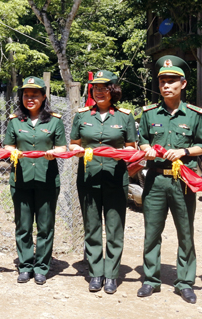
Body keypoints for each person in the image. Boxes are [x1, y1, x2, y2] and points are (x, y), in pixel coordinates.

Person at [136, 56, 202, 304]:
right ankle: (150, 280)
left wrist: (184, 152)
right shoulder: (148, 113)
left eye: (172, 81)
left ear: (183, 84)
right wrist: (146, 148)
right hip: (155, 181)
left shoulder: (195, 114)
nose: (166, 85)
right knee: (152, 232)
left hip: (182, 182)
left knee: (185, 233)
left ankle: (185, 282)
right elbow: (142, 139)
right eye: (163, 81)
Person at [68, 70, 136, 294]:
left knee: (115, 227)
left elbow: (132, 148)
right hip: (89, 177)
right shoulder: (82, 115)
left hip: (116, 178)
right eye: (95, 88)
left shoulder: (125, 116)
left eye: (104, 87)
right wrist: (77, 150)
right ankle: (96, 272)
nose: (98, 91)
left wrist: (122, 154)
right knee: (92, 226)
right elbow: (74, 144)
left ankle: (112, 275)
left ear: (113, 90)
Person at [3, 76, 67, 284]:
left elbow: (62, 147)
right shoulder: (14, 121)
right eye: (26, 95)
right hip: (20, 180)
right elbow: (8, 146)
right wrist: (13, 153)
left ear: (43, 96)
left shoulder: (54, 120)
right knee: (23, 225)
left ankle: (41, 267)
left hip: (46, 180)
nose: (30, 98)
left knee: (45, 225)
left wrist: (53, 153)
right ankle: (25, 265)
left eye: (35, 95)